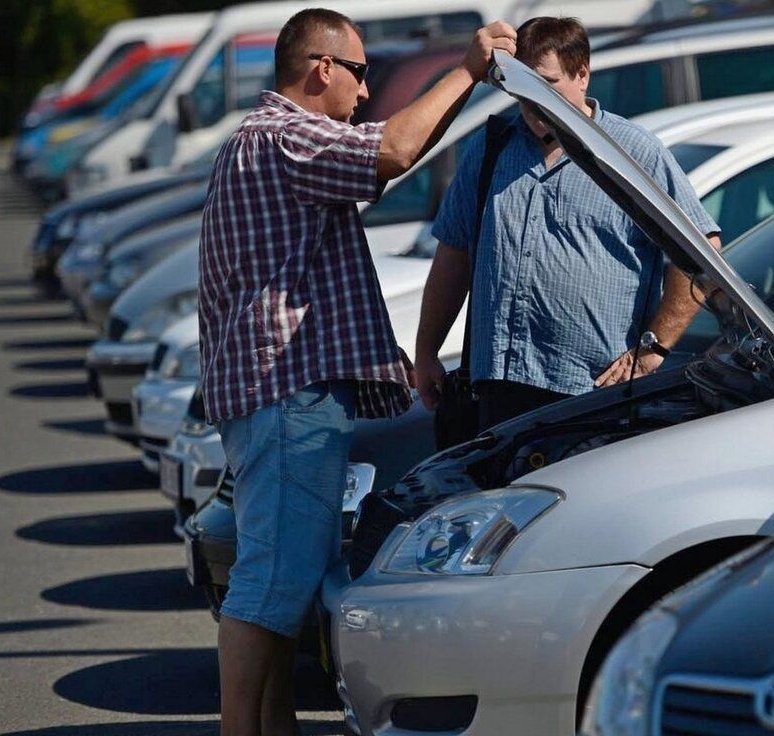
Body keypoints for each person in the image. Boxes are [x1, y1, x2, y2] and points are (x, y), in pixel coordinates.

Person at [197, 9, 516, 735]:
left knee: (283, 587)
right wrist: (468, 69)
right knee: (267, 586)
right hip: (286, 399)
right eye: (362, 73)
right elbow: (396, 149)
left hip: (279, 397)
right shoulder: (285, 135)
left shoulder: (261, 140)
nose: (367, 92)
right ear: (320, 69)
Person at [414, 16, 721, 431]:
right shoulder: (491, 147)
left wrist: (652, 349)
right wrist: (427, 350)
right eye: (520, 85)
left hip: (592, 396)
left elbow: (702, 255)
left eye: (547, 84)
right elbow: (455, 252)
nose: (532, 100)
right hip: (500, 390)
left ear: (582, 76)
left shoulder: (633, 154)